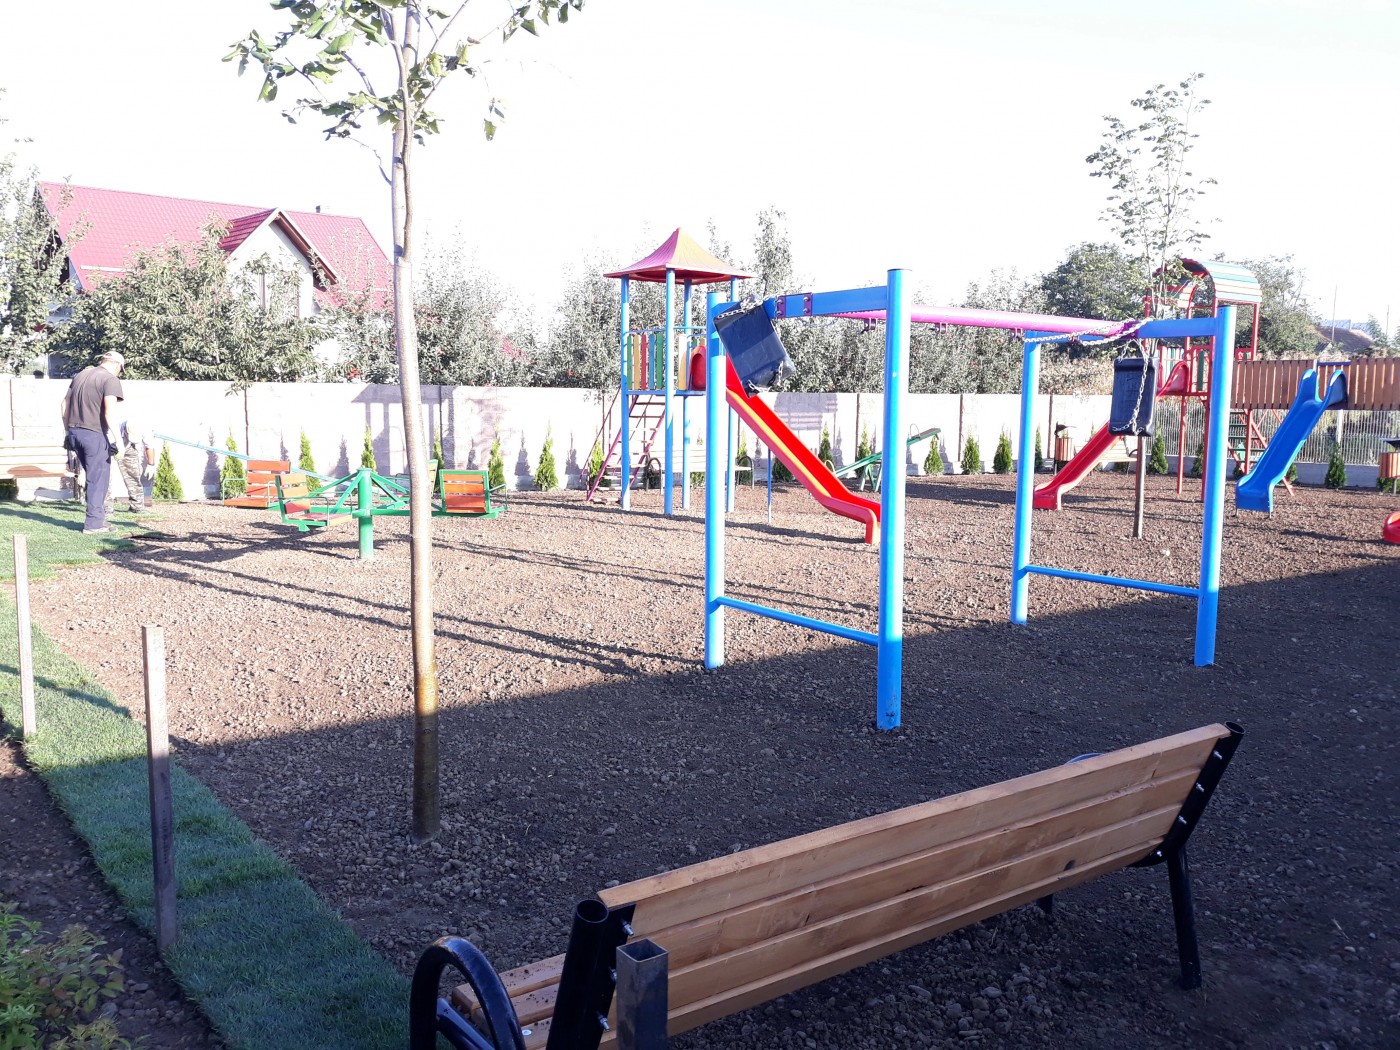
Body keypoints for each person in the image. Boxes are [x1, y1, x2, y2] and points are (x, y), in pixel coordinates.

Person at [60, 350, 125, 533]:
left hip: (74, 433)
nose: (119, 373)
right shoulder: (110, 380)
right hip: (93, 434)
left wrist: (67, 432)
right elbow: (109, 412)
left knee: (93, 477)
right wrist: (119, 442)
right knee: (98, 479)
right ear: (117, 365)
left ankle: (97, 519)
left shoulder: (81, 375)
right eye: (121, 369)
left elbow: (64, 404)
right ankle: (94, 524)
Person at [116, 414, 155, 513]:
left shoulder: (145, 429)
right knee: (105, 476)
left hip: (128, 448)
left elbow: (149, 446)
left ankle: (137, 507)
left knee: (133, 475)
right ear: (126, 430)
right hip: (111, 443)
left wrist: (151, 465)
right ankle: (105, 509)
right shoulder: (116, 425)